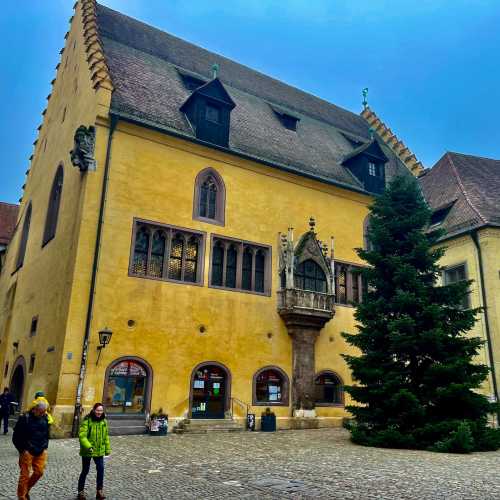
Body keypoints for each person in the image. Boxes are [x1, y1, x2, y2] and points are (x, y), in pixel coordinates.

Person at [12, 400, 50, 500]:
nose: (42, 414)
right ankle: (22, 497)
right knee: (24, 475)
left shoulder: (45, 417)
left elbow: (46, 434)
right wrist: (23, 450)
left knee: (39, 472)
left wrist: (45, 447)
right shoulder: (25, 418)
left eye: (44, 412)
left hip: (41, 450)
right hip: (27, 451)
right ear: (35, 409)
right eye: (41, 412)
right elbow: (15, 437)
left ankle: (26, 489)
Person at [78, 403, 111, 500]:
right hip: (87, 450)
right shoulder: (87, 420)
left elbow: (106, 437)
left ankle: (99, 491)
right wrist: (88, 446)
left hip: (99, 450)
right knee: (85, 471)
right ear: (93, 410)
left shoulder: (104, 421)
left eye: (101, 411)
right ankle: (80, 492)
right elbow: (82, 436)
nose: (99, 412)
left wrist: (107, 449)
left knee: (101, 469)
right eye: (98, 410)